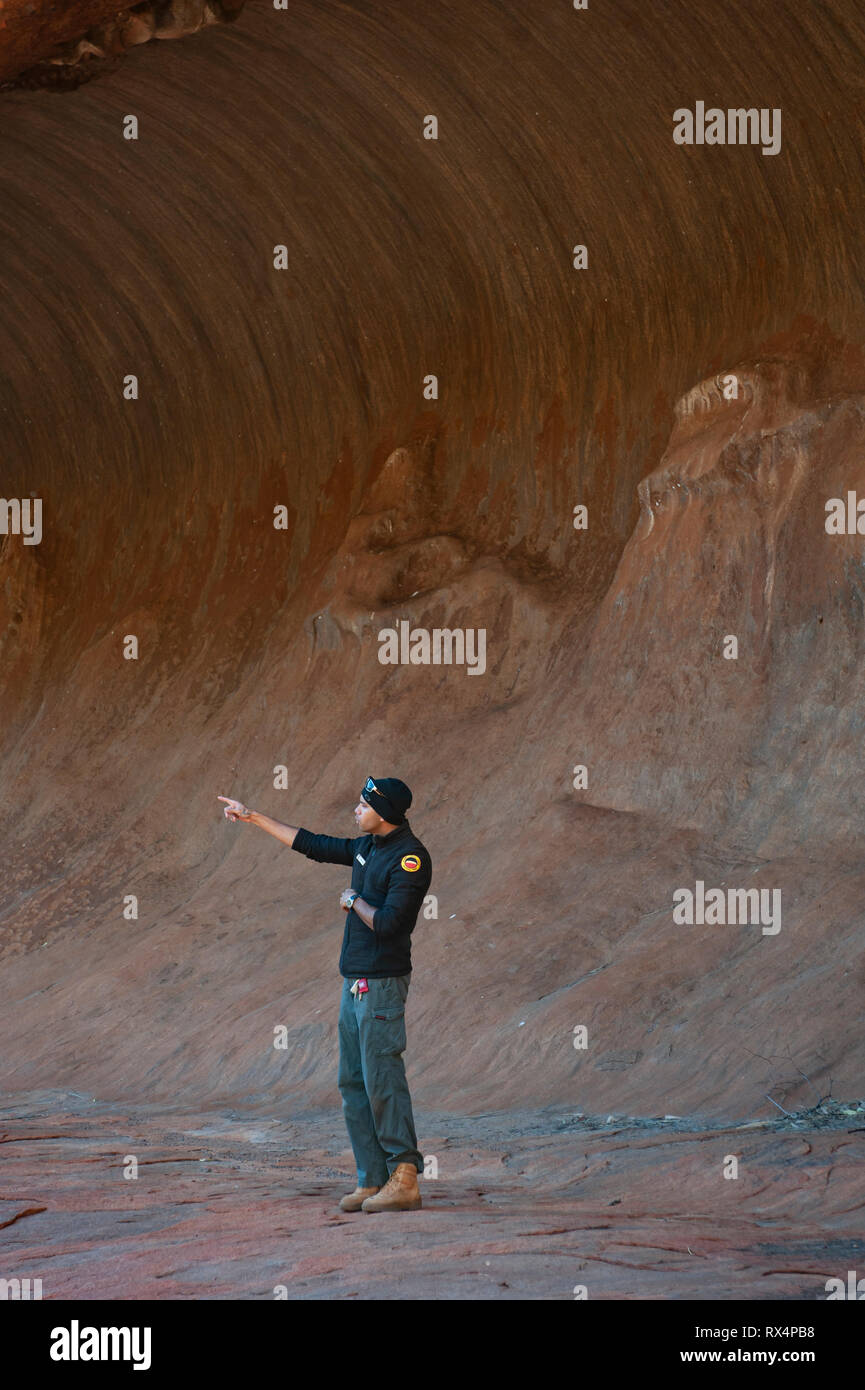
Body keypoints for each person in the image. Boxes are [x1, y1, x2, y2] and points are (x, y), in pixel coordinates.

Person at [217, 776, 432, 1213]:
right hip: (353, 980)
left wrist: (354, 900)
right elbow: (313, 845)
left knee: (382, 1078)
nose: (356, 809)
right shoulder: (367, 847)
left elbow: (392, 924)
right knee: (352, 1081)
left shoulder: (410, 858)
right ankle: (373, 1179)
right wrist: (252, 815)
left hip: (382, 983)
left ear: (384, 811)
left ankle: (405, 1177)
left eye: (363, 804)